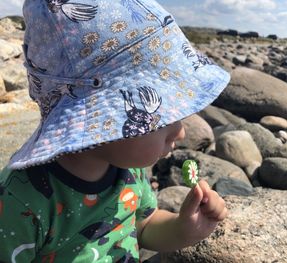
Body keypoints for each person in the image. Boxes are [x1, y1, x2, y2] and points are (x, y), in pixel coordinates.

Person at [0, 0, 231, 261]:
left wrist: (182, 229)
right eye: (162, 117)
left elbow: (143, 225)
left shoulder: (128, 171)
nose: (180, 133)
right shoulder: (20, 200)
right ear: (103, 120)